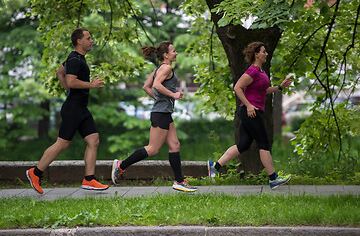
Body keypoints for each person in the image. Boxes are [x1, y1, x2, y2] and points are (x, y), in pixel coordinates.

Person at [26, 28, 109, 194]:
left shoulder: (76, 58)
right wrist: (89, 85)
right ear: (79, 41)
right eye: (88, 38)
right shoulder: (74, 59)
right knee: (62, 143)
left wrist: (69, 90)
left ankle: (89, 179)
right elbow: (71, 81)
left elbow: (59, 72)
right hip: (73, 109)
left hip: (81, 108)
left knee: (93, 140)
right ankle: (35, 172)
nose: (92, 41)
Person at [111, 42, 197, 192]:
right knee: (152, 149)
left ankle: (179, 181)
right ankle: (121, 165)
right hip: (161, 114)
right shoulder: (166, 67)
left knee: (175, 145)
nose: (176, 53)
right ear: (166, 55)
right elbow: (156, 85)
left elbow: (146, 86)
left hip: (164, 112)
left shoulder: (158, 68)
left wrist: (160, 100)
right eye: (173, 51)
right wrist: (173, 95)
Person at [207, 41, 292, 189]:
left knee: (243, 144)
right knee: (264, 143)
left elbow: (263, 91)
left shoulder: (261, 72)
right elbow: (237, 87)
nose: (266, 54)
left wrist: (279, 87)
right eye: (264, 51)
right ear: (256, 54)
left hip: (252, 111)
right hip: (251, 112)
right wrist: (248, 105)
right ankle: (273, 179)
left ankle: (216, 166)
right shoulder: (252, 71)